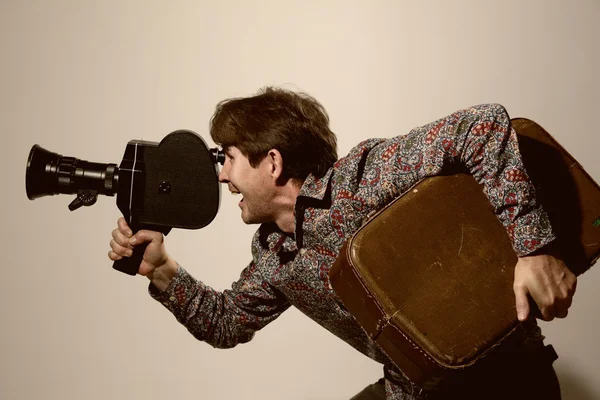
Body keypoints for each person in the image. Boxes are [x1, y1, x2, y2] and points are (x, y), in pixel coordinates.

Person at [108, 87, 576, 399]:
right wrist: (162, 269)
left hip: (508, 380)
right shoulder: (275, 255)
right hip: (415, 392)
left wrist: (533, 248)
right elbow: (227, 322)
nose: (222, 174)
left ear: (272, 162)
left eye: (228, 158)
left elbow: (483, 125)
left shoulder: (361, 178)